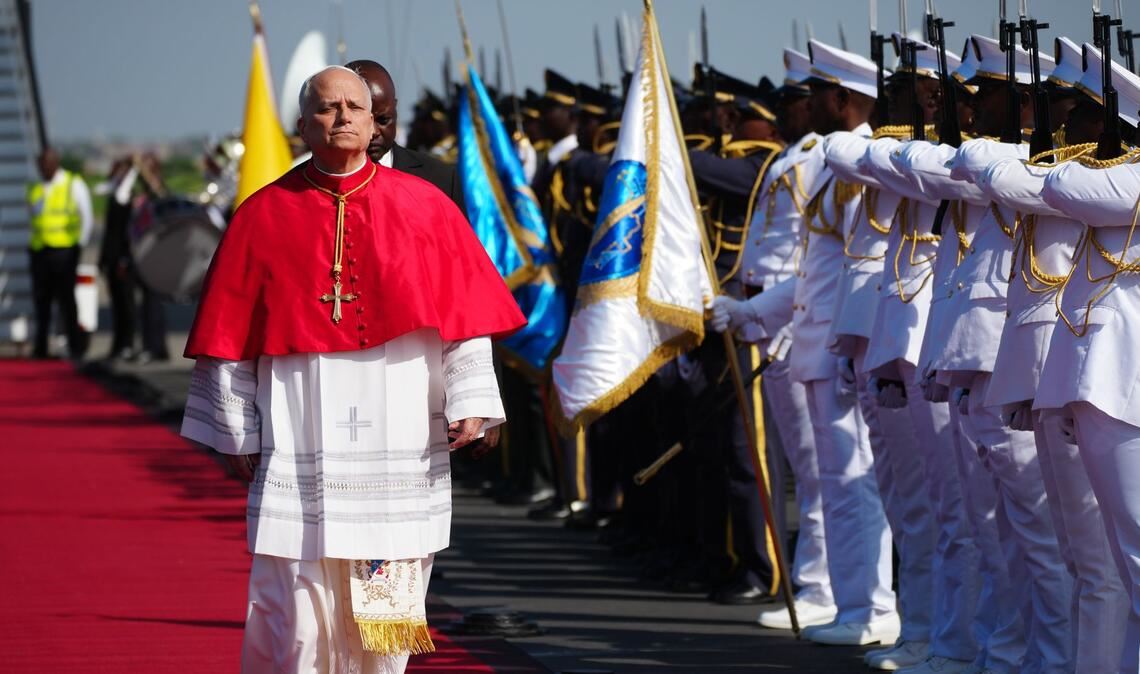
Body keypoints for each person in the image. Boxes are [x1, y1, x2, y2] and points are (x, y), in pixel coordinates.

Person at [180, 65, 525, 674]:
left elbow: (466, 320)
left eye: (353, 107)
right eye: (325, 108)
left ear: (374, 124)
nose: (341, 118)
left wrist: (473, 399)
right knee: (296, 612)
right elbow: (230, 335)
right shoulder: (262, 215)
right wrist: (237, 430)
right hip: (299, 430)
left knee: (390, 610)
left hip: (402, 434)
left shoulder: (428, 209)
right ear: (302, 125)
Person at [345, 59, 465, 212]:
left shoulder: (442, 179)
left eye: (383, 120)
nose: (373, 132)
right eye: (362, 122)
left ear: (394, 108)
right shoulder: (309, 183)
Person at [26, 147, 93, 359]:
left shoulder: (73, 184)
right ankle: (41, 347)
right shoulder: (35, 187)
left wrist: (79, 246)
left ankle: (75, 346)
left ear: (55, 162)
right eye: (40, 165)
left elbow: (87, 217)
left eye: (46, 165)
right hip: (40, 250)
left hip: (64, 251)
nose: (43, 169)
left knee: (67, 301)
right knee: (41, 300)